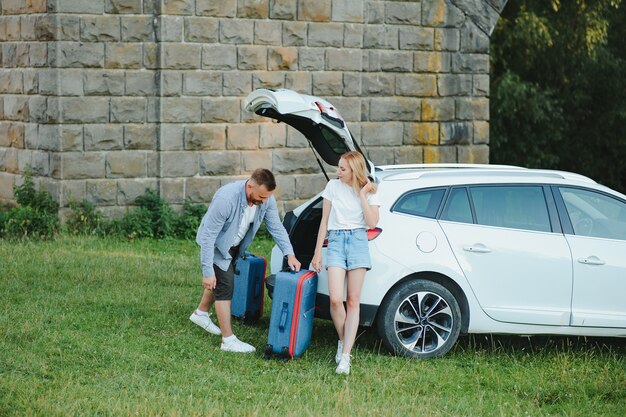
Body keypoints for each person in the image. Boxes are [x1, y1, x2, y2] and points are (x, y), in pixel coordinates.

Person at [190, 168, 301, 353]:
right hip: (217, 246)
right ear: (249, 186)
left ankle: (200, 314)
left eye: (267, 198)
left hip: (234, 245)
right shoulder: (226, 199)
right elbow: (208, 237)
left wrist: (289, 253)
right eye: (261, 197)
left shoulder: (266, 199)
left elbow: (276, 227)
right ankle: (228, 341)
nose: (264, 202)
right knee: (225, 286)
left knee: (220, 281)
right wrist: (207, 271)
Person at [311, 151, 380, 375]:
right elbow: (323, 222)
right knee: (334, 300)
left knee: (353, 300)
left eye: (343, 169)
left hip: (359, 240)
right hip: (337, 240)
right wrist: (317, 253)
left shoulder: (369, 191)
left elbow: (371, 223)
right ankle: (344, 341)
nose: (338, 172)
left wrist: (362, 195)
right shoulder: (332, 186)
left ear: (354, 171)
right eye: (338, 167)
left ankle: (346, 355)